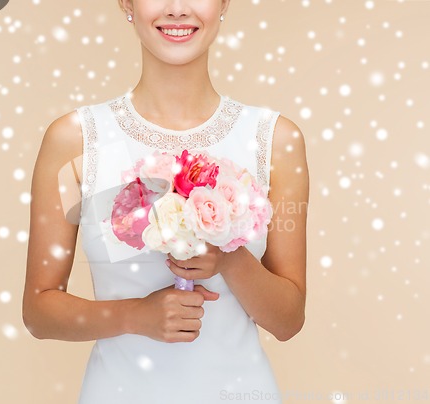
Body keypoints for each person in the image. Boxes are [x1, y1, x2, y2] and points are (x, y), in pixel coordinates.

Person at [22, 0, 309, 403]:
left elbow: (288, 320)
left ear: (224, 3)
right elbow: (38, 311)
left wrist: (228, 258)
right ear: (127, 3)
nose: (177, 9)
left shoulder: (275, 141)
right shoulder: (76, 141)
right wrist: (134, 315)